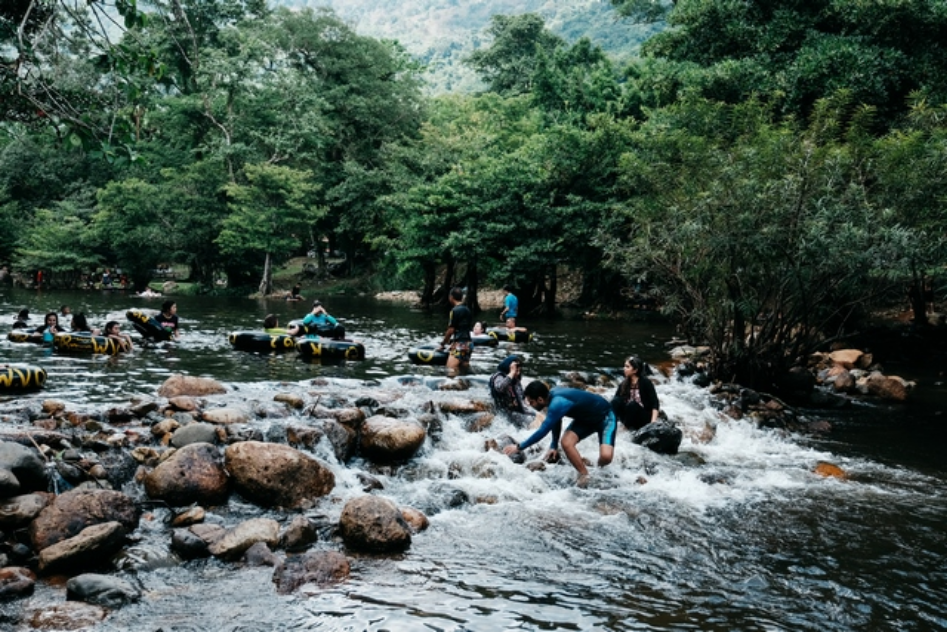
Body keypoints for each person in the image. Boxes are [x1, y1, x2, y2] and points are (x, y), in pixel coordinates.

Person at [504, 381, 617, 487]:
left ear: (540, 399)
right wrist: (554, 446)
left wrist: (519, 447)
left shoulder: (557, 402)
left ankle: (600, 470)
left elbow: (543, 431)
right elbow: (557, 420)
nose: (530, 405)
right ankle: (584, 474)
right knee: (566, 442)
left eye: (531, 402)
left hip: (606, 418)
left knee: (606, 457)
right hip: (585, 421)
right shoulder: (552, 399)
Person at [611, 356, 661, 431]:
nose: (624, 369)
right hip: (627, 417)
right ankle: (610, 424)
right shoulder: (623, 384)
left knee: (632, 405)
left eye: (627, 367)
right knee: (616, 400)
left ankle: (625, 428)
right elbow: (616, 403)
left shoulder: (646, 383)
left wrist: (653, 422)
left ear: (635, 370)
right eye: (624, 366)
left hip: (642, 418)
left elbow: (655, 403)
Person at [489, 355, 534, 428]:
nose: (518, 373)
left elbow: (521, 395)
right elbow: (500, 388)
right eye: (516, 370)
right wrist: (512, 373)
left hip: (517, 410)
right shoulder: (498, 376)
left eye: (519, 371)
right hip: (504, 411)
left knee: (535, 416)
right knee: (530, 421)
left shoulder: (515, 380)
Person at [439, 286, 473, 376]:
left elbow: (451, 330)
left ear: (451, 297)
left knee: (450, 371)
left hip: (459, 345)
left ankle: (451, 389)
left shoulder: (454, 311)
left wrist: (443, 343)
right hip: (469, 344)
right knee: (463, 372)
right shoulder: (468, 310)